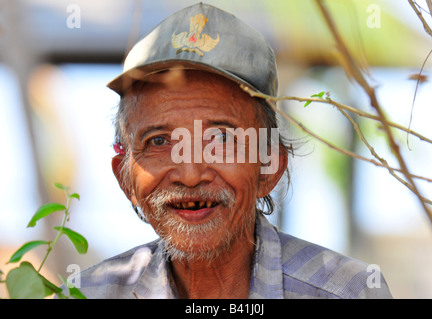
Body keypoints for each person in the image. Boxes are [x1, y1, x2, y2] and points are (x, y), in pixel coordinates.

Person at [74, 3, 392, 299]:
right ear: (124, 177)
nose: (190, 174)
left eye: (221, 139)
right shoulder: (83, 293)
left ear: (269, 167)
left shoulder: (347, 292)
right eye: (159, 141)